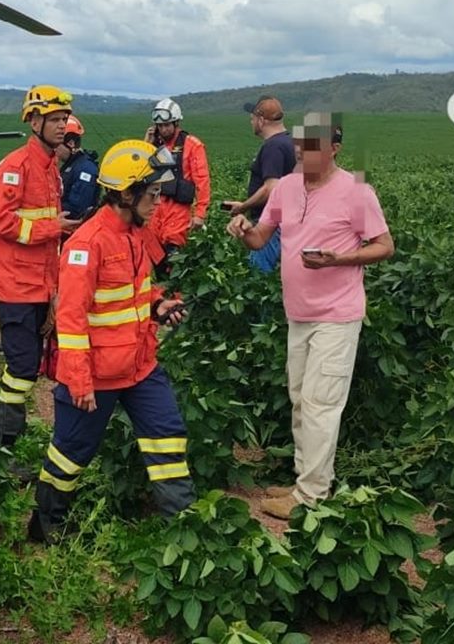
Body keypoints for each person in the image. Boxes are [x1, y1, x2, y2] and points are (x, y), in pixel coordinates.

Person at [226, 113, 394, 519]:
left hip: (337, 315)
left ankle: (311, 496)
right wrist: (243, 229)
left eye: (313, 146)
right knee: (301, 399)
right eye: (301, 145)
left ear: (334, 148)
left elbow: (385, 246)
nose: (303, 153)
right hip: (298, 313)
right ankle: (306, 478)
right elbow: (260, 238)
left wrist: (341, 259)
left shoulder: (356, 191)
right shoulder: (285, 188)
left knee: (321, 402)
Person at [28, 139, 195, 544]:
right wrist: (79, 381)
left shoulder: (136, 232)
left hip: (140, 367)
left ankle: (187, 531)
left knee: (168, 435)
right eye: (153, 193)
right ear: (126, 193)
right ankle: (46, 525)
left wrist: (158, 305)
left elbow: (135, 291)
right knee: (70, 452)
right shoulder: (88, 244)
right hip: (96, 376)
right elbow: (70, 319)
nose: (158, 201)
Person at [0, 85, 82, 448]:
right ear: (34, 121)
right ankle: (4, 444)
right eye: (54, 119)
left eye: (64, 118)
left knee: (29, 364)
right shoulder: (15, 167)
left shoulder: (50, 166)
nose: (61, 125)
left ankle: (10, 438)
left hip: (36, 280)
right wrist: (56, 227)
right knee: (22, 368)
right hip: (14, 282)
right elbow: (1, 222)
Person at [221, 95, 296, 273]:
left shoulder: (273, 146)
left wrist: (243, 207)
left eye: (253, 118)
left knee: (259, 278)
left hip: (269, 226)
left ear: (261, 120)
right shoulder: (289, 141)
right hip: (286, 223)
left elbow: (272, 188)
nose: (251, 121)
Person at [144, 98, 210, 270]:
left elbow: (202, 180)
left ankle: (176, 294)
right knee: (153, 259)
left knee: (174, 261)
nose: (163, 129)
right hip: (155, 210)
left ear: (176, 122)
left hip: (179, 211)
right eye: (160, 126)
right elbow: (139, 172)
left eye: (167, 125)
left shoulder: (192, 145)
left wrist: (200, 214)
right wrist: (146, 144)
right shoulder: (152, 146)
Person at [57, 114, 100, 222]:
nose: (53, 149)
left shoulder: (85, 170)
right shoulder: (72, 165)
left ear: (70, 143)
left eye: (56, 145)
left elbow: (77, 209)